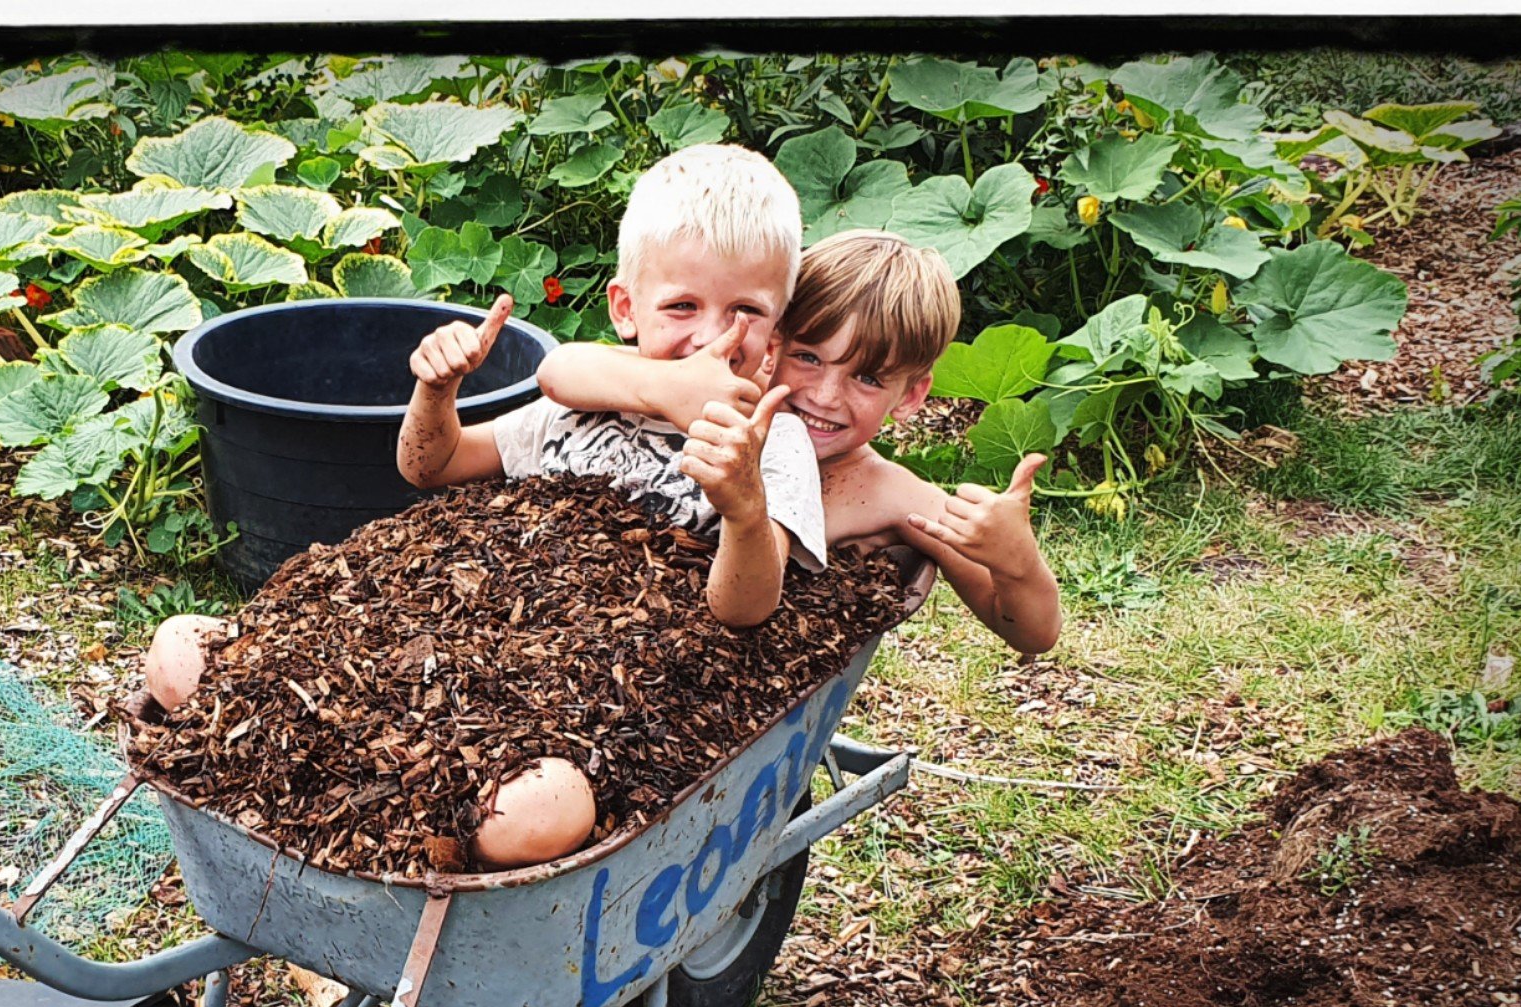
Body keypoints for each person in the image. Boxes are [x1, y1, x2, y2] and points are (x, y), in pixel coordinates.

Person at [535, 228, 1062, 655]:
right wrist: (660, 385)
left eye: (869, 378)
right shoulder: (728, 395)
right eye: (809, 358)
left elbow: (1030, 633)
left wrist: (1017, 563)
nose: (826, 396)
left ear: (911, 394)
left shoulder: (895, 497)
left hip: (726, 659)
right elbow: (566, 366)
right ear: (775, 342)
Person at [395, 142, 824, 633]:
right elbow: (433, 465)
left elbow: (743, 610)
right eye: (682, 306)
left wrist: (746, 510)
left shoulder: (772, 443)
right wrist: (437, 389)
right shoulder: (587, 409)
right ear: (625, 309)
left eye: (746, 310)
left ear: (776, 332)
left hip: (650, 682)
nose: (711, 336)